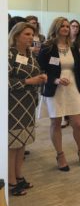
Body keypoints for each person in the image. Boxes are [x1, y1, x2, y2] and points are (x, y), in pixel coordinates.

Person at [38, 17, 80, 172]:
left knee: (78, 124)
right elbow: (41, 70)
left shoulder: (72, 47)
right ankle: (60, 155)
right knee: (56, 123)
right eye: (63, 26)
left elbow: (79, 71)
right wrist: (55, 80)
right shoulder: (47, 47)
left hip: (73, 88)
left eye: (68, 26)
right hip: (55, 89)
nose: (66, 28)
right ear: (56, 28)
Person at [8, 22, 47, 196]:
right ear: (16, 36)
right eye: (27, 34)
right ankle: (10, 182)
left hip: (28, 104)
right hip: (12, 105)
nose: (31, 37)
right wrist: (29, 81)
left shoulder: (30, 54)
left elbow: (34, 72)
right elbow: (5, 81)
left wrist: (42, 77)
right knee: (12, 144)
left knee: (22, 142)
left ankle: (18, 175)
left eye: (32, 34)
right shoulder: (8, 54)